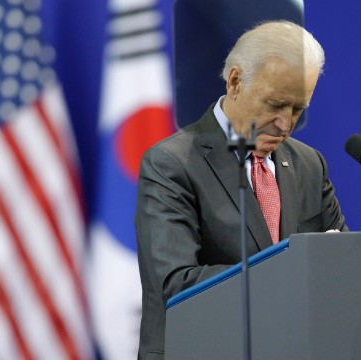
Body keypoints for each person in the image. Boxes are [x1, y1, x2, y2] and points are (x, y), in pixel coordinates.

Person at [135, 20, 348, 359]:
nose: (285, 124)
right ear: (235, 82)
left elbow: (340, 268)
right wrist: (294, 270)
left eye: (297, 109)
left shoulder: (309, 164)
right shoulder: (171, 163)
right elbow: (175, 284)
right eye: (275, 104)